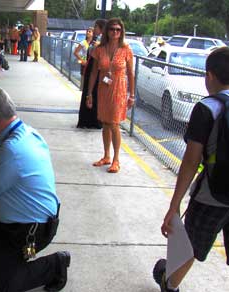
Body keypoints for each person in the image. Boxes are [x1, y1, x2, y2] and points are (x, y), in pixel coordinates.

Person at [0, 85, 71, 292]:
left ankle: (54, 265)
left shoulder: (12, 150)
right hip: (18, 223)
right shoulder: (26, 132)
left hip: (28, 232)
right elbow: (7, 156)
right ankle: (2, 262)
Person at [153, 47, 229, 292]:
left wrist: (174, 206)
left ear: (209, 76)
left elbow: (190, 162)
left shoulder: (207, 108)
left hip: (212, 195)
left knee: (189, 248)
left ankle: (170, 284)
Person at [86, 18, 135, 173]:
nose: (115, 32)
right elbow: (93, 72)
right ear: (107, 31)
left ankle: (116, 160)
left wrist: (132, 95)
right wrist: (89, 94)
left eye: (118, 30)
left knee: (114, 124)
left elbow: (131, 73)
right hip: (103, 89)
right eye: (112, 29)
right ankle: (106, 156)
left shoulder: (126, 49)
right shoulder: (99, 49)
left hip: (119, 90)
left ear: (122, 32)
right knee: (105, 123)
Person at [76, 20, 106, 129]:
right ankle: (86, 120)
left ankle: (94, 120)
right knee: (88, 93)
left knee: (94, 94)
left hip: (96, 71)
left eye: (96, 27)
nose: (94, 30)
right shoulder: (95, 40)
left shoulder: (103, 41)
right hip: (90, 69)